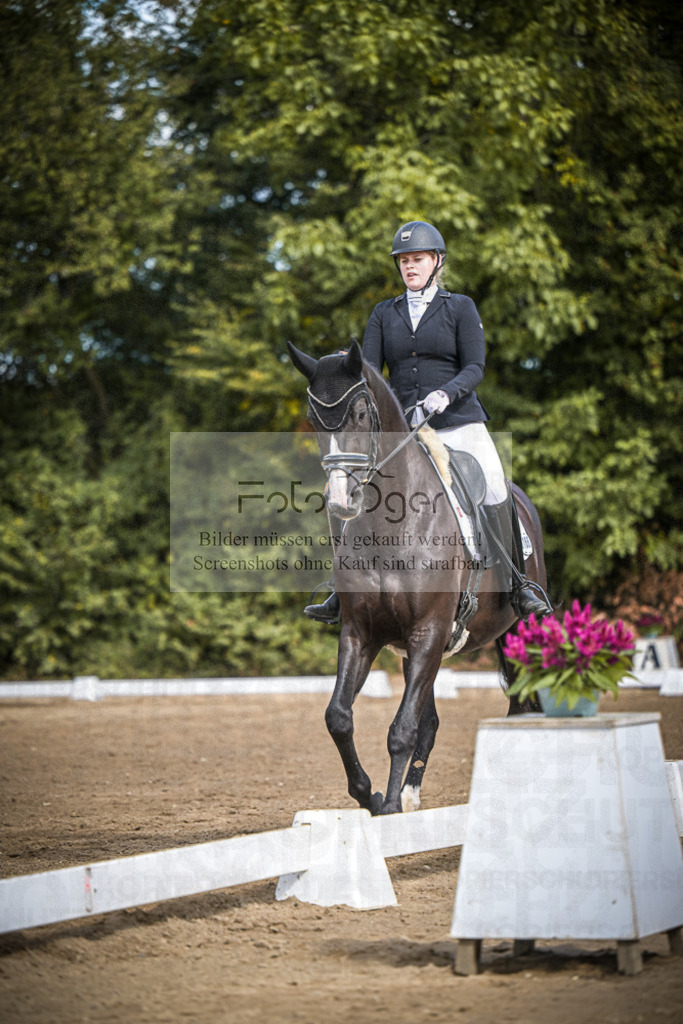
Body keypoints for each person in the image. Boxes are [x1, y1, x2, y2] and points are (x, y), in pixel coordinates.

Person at [304, 220, 551, 624]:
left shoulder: (460, 307)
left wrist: (446, 393)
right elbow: (368, 371)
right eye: (403, 261)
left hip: (458, 420)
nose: (409, 267)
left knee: (492, 481)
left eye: (417, 259)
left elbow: (475, 366)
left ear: (436, 261)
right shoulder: (384, 313)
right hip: (404, 432)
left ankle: (520, 584)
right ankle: (340, 586)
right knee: (352, 486)